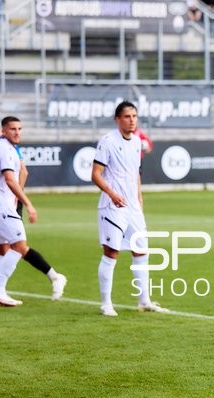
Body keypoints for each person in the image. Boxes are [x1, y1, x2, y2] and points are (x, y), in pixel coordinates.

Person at [0, 112, 67, 303]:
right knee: (1, 246)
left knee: (8, 247)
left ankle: (52, 276)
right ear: (4, 130)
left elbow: (22, 172)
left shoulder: (6, 147)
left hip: (5, 201)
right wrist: (26, 201)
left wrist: (17, 197)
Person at [91, 101, 170, 316]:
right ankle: (106, 303)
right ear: (118, 119)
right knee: (111, 253)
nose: (132, 119)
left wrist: (139, 201)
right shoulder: (107, 141)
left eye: (134, 116)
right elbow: (95, 174)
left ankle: (144, 300)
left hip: (133, 208)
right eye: (127, 116)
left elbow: (136, 175)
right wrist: (112, 193)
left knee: (141, 251)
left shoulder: (136, 142)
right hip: (112, 206)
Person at [0, 116, 40, 306]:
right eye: (13, 129)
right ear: (3, 131)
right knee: (20, 246)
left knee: (1, 249)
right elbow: (9, 179)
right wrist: (27, 203)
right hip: (1, 205)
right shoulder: (5, 150)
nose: (17, 132)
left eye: (20, 129)